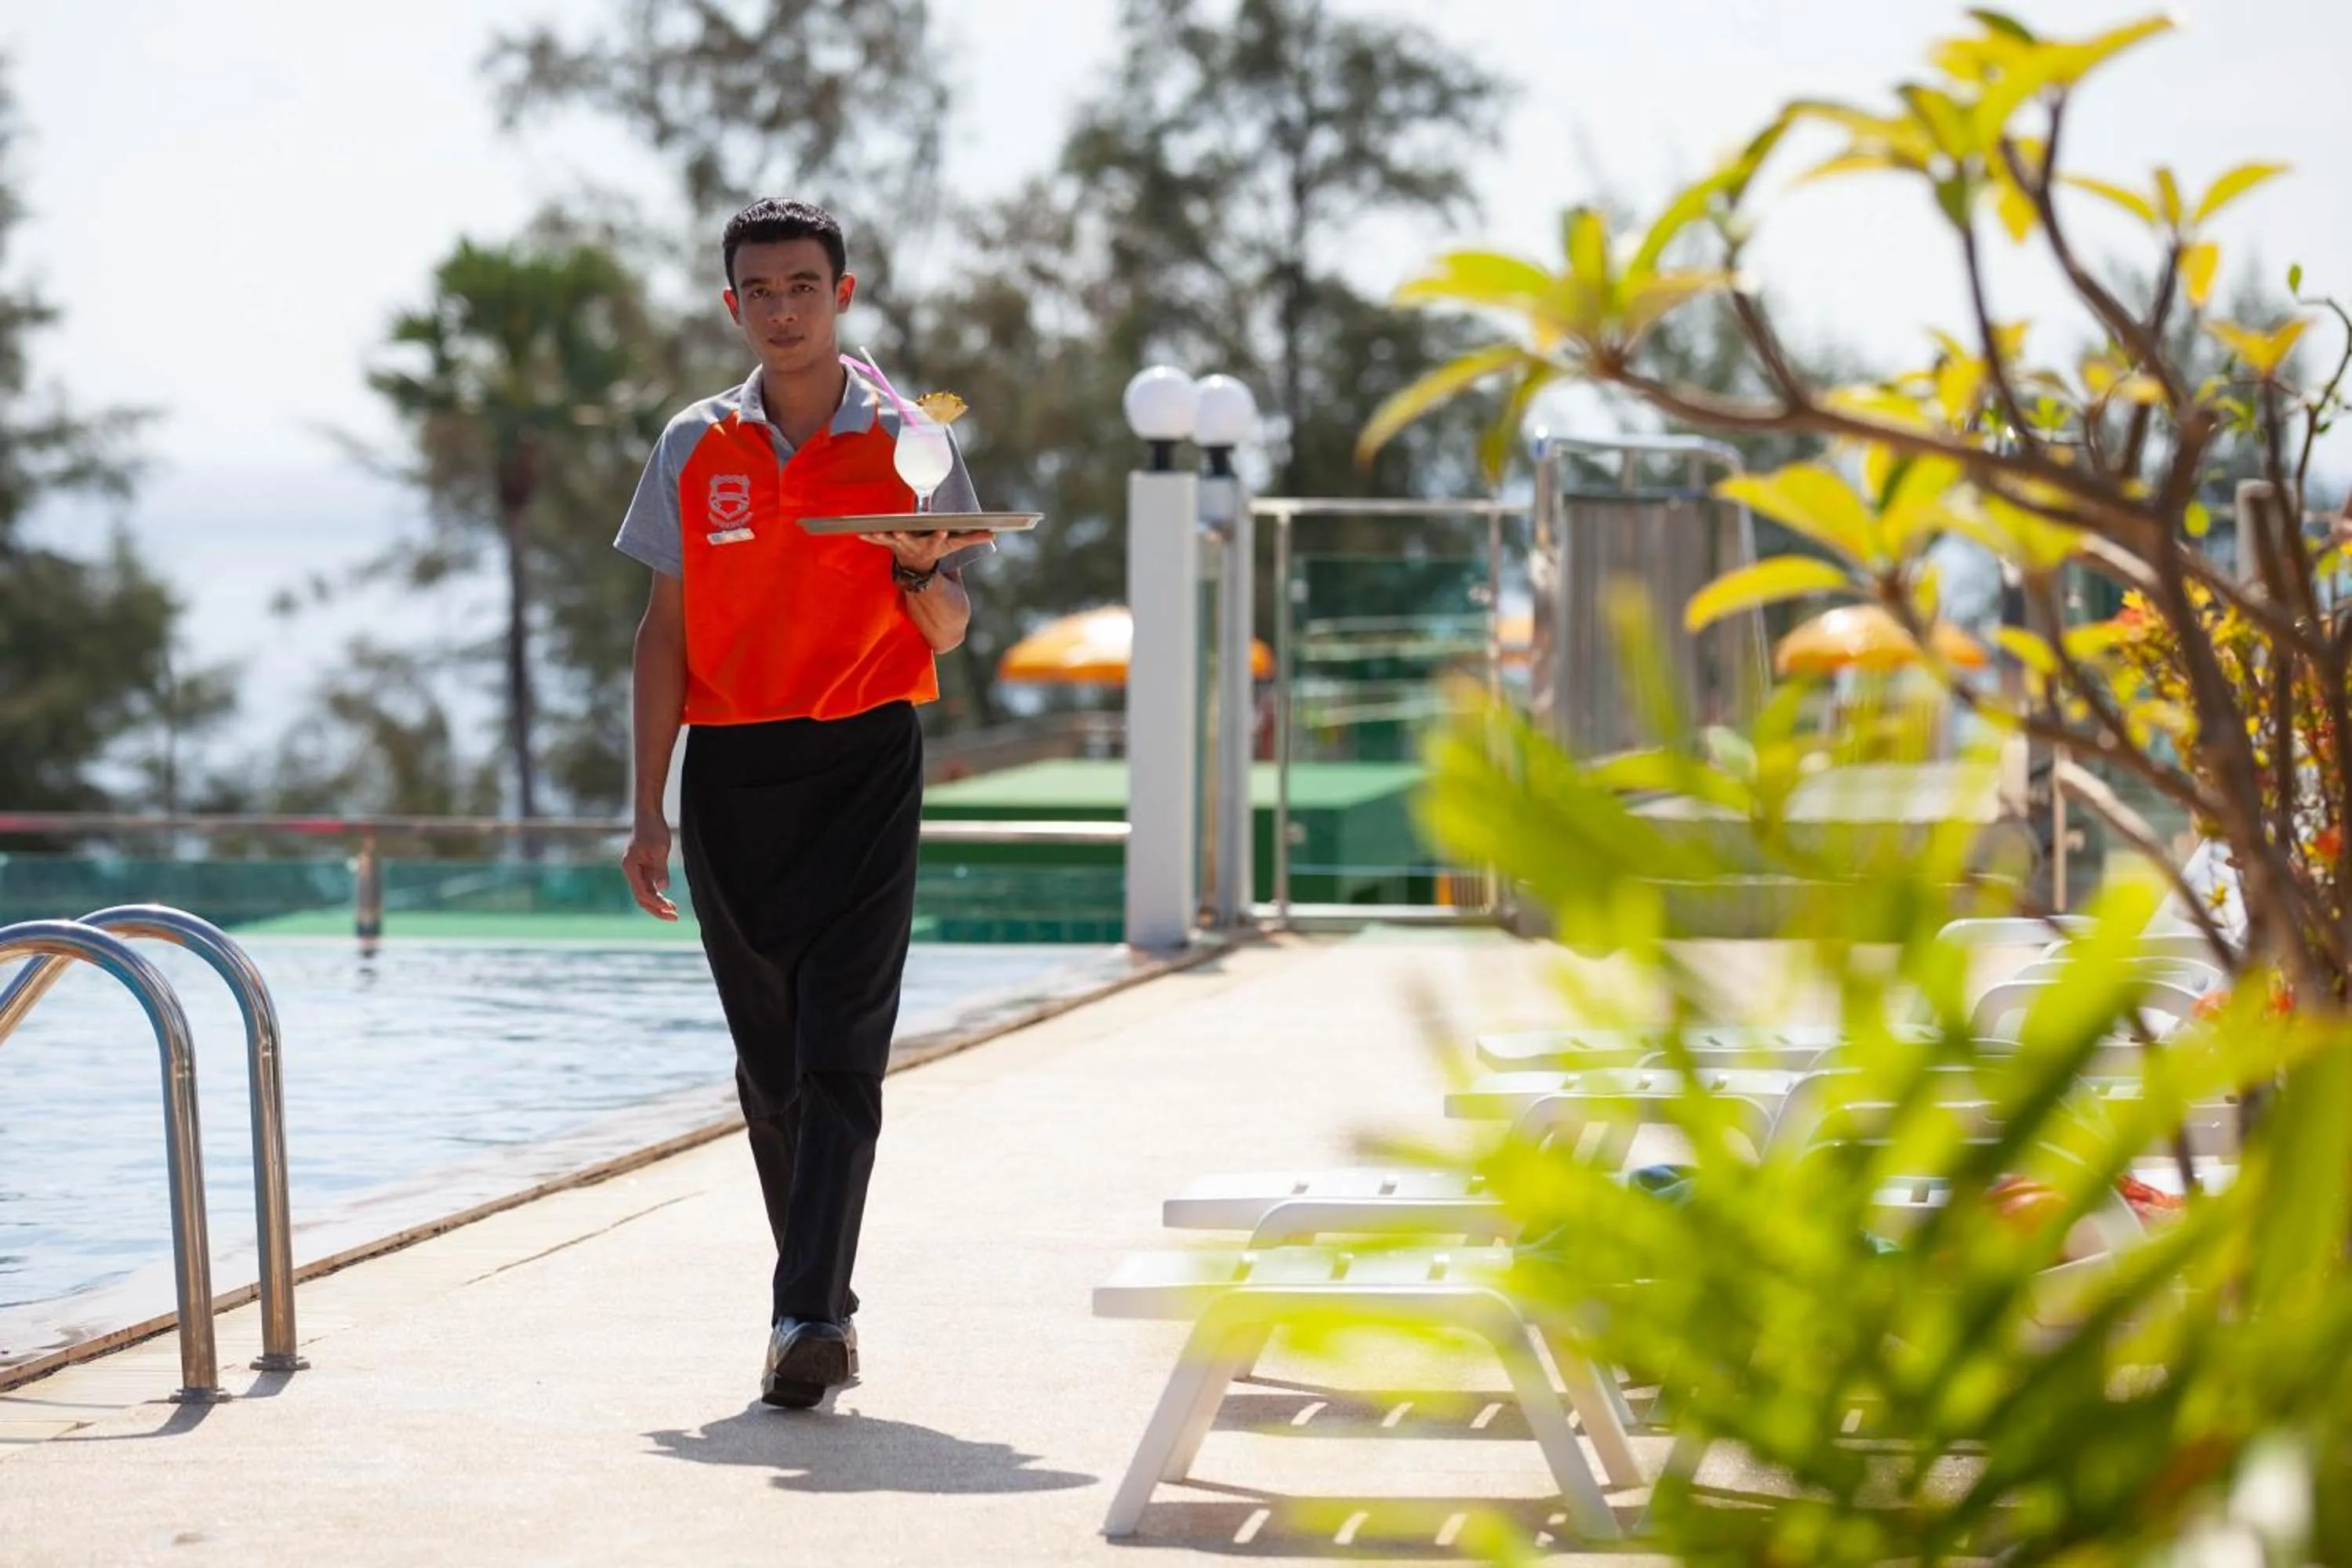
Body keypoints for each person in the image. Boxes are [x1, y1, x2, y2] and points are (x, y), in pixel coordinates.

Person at [613, 198, 991, 1410]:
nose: (784, 310)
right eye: (761, 293)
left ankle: (808, 1314)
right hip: (731, 773)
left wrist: (925, 572)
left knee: (841, 1049)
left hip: (867, 757)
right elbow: (662, 638)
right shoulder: (693, 444)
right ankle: (815, 1302)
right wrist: (649, 806)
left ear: (846, 294)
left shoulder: (910, 441)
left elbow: (948, 627)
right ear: (733, 306)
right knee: (769, 1064)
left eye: (805, 288)